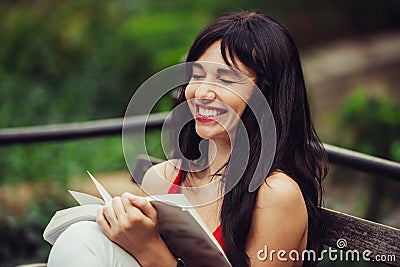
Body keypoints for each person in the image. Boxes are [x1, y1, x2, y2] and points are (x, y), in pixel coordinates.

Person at [47, 11, 327, 267]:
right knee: (83, 234)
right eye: (197, 75)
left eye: (226, 80)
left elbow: (150, 256)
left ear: (267, 95)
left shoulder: (275, 194)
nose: (203, 92)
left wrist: (150, 249)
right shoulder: (162, 178)